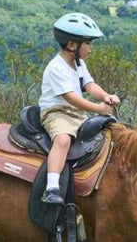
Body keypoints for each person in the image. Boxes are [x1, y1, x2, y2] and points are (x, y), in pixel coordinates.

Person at [38, 12, 120, 204]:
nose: (91, 48)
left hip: (76, 114)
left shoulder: (78, 63)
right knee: (63, 140)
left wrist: (106, 96)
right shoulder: (56, 67)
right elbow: (71, 98)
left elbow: (89, 85)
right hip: (57, 112)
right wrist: (98, 109)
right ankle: (52, 187)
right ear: (72, 45)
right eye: (88, 43)